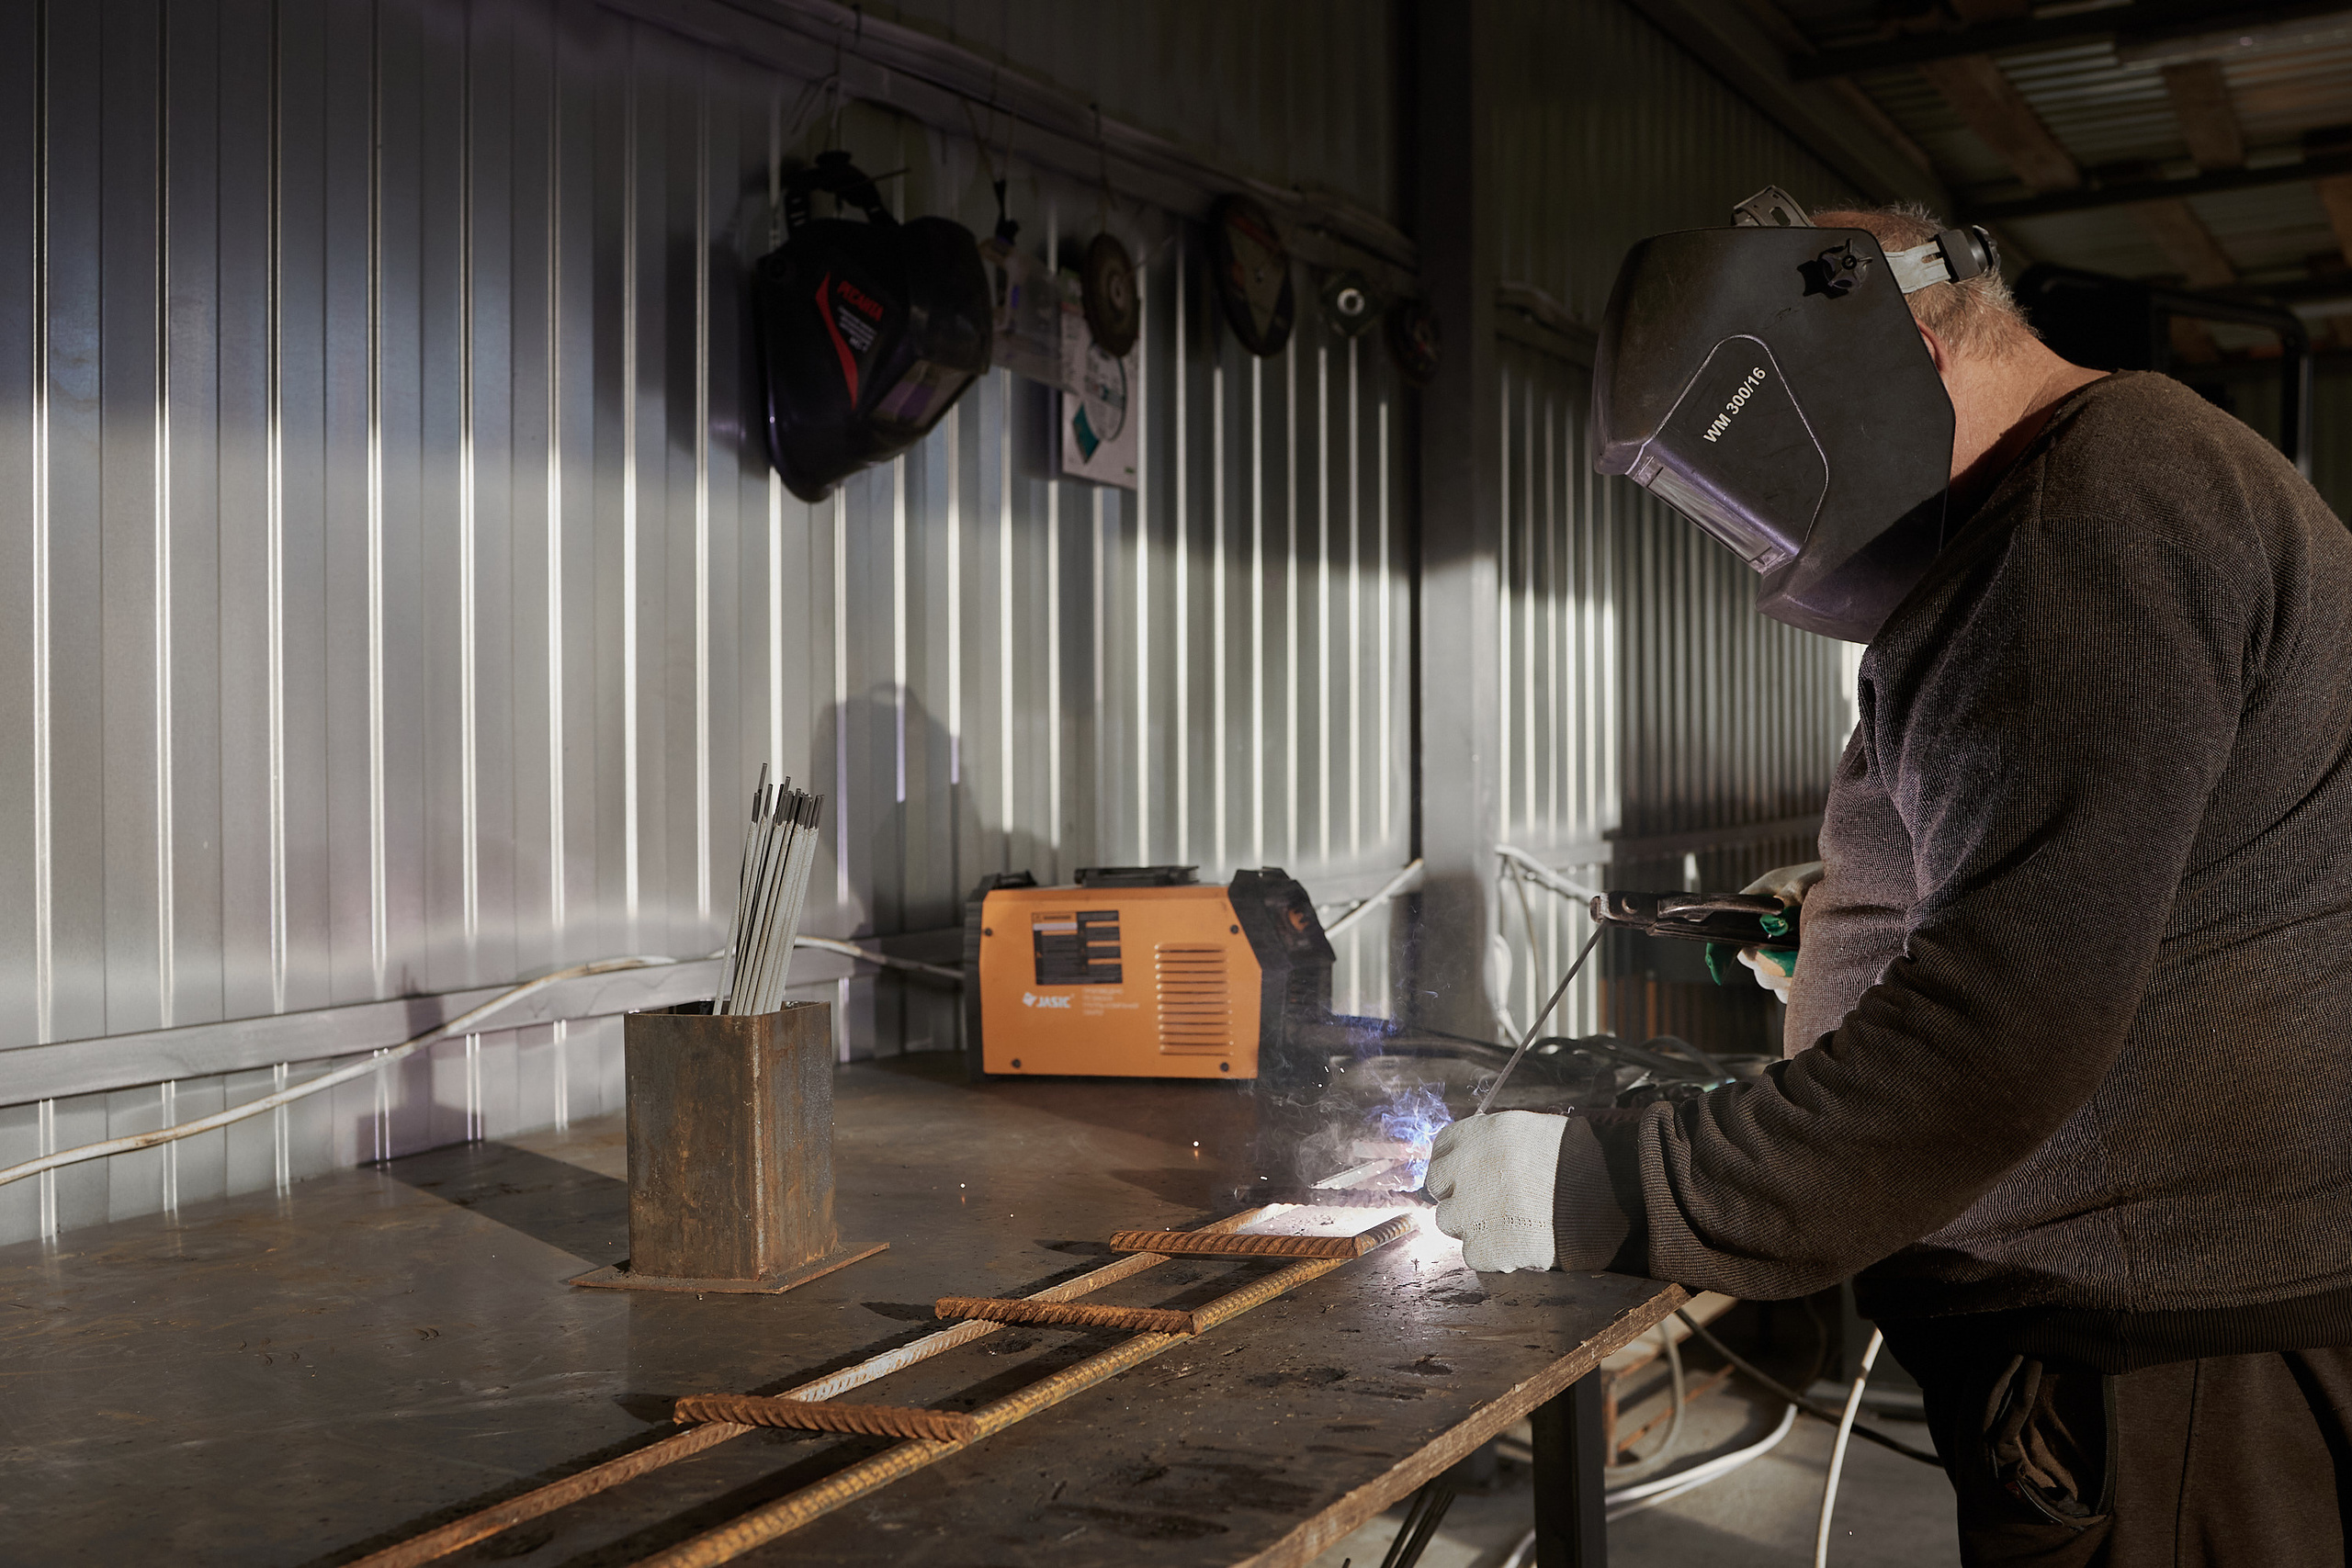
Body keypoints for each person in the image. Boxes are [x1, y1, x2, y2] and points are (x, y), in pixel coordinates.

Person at [1427, 202, 2352, 1565]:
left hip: (2165, 1379)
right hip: (2162, 1352)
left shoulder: (2089, 520)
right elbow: (2128, 876)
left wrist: (1610, 1185)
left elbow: (2004, 1030)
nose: (1760, 537)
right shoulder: (2100, 494)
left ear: (1898, 352)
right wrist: (1862, 918)